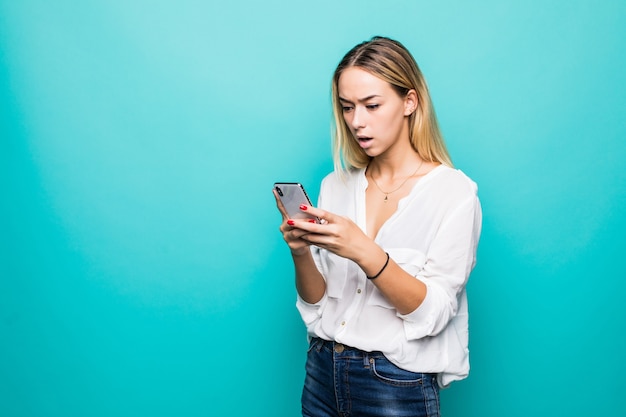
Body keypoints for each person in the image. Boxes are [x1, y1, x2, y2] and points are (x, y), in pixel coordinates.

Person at [273, 36, 482, 417]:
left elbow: (434, 313)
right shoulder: (335, 185)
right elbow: (317, 302)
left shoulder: (454, 193)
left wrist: (364, 251)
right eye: (347, 107)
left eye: (371, 105)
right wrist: (300, 251)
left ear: (409, 102)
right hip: (322, 371)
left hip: (394, 381)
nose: (356, 121)